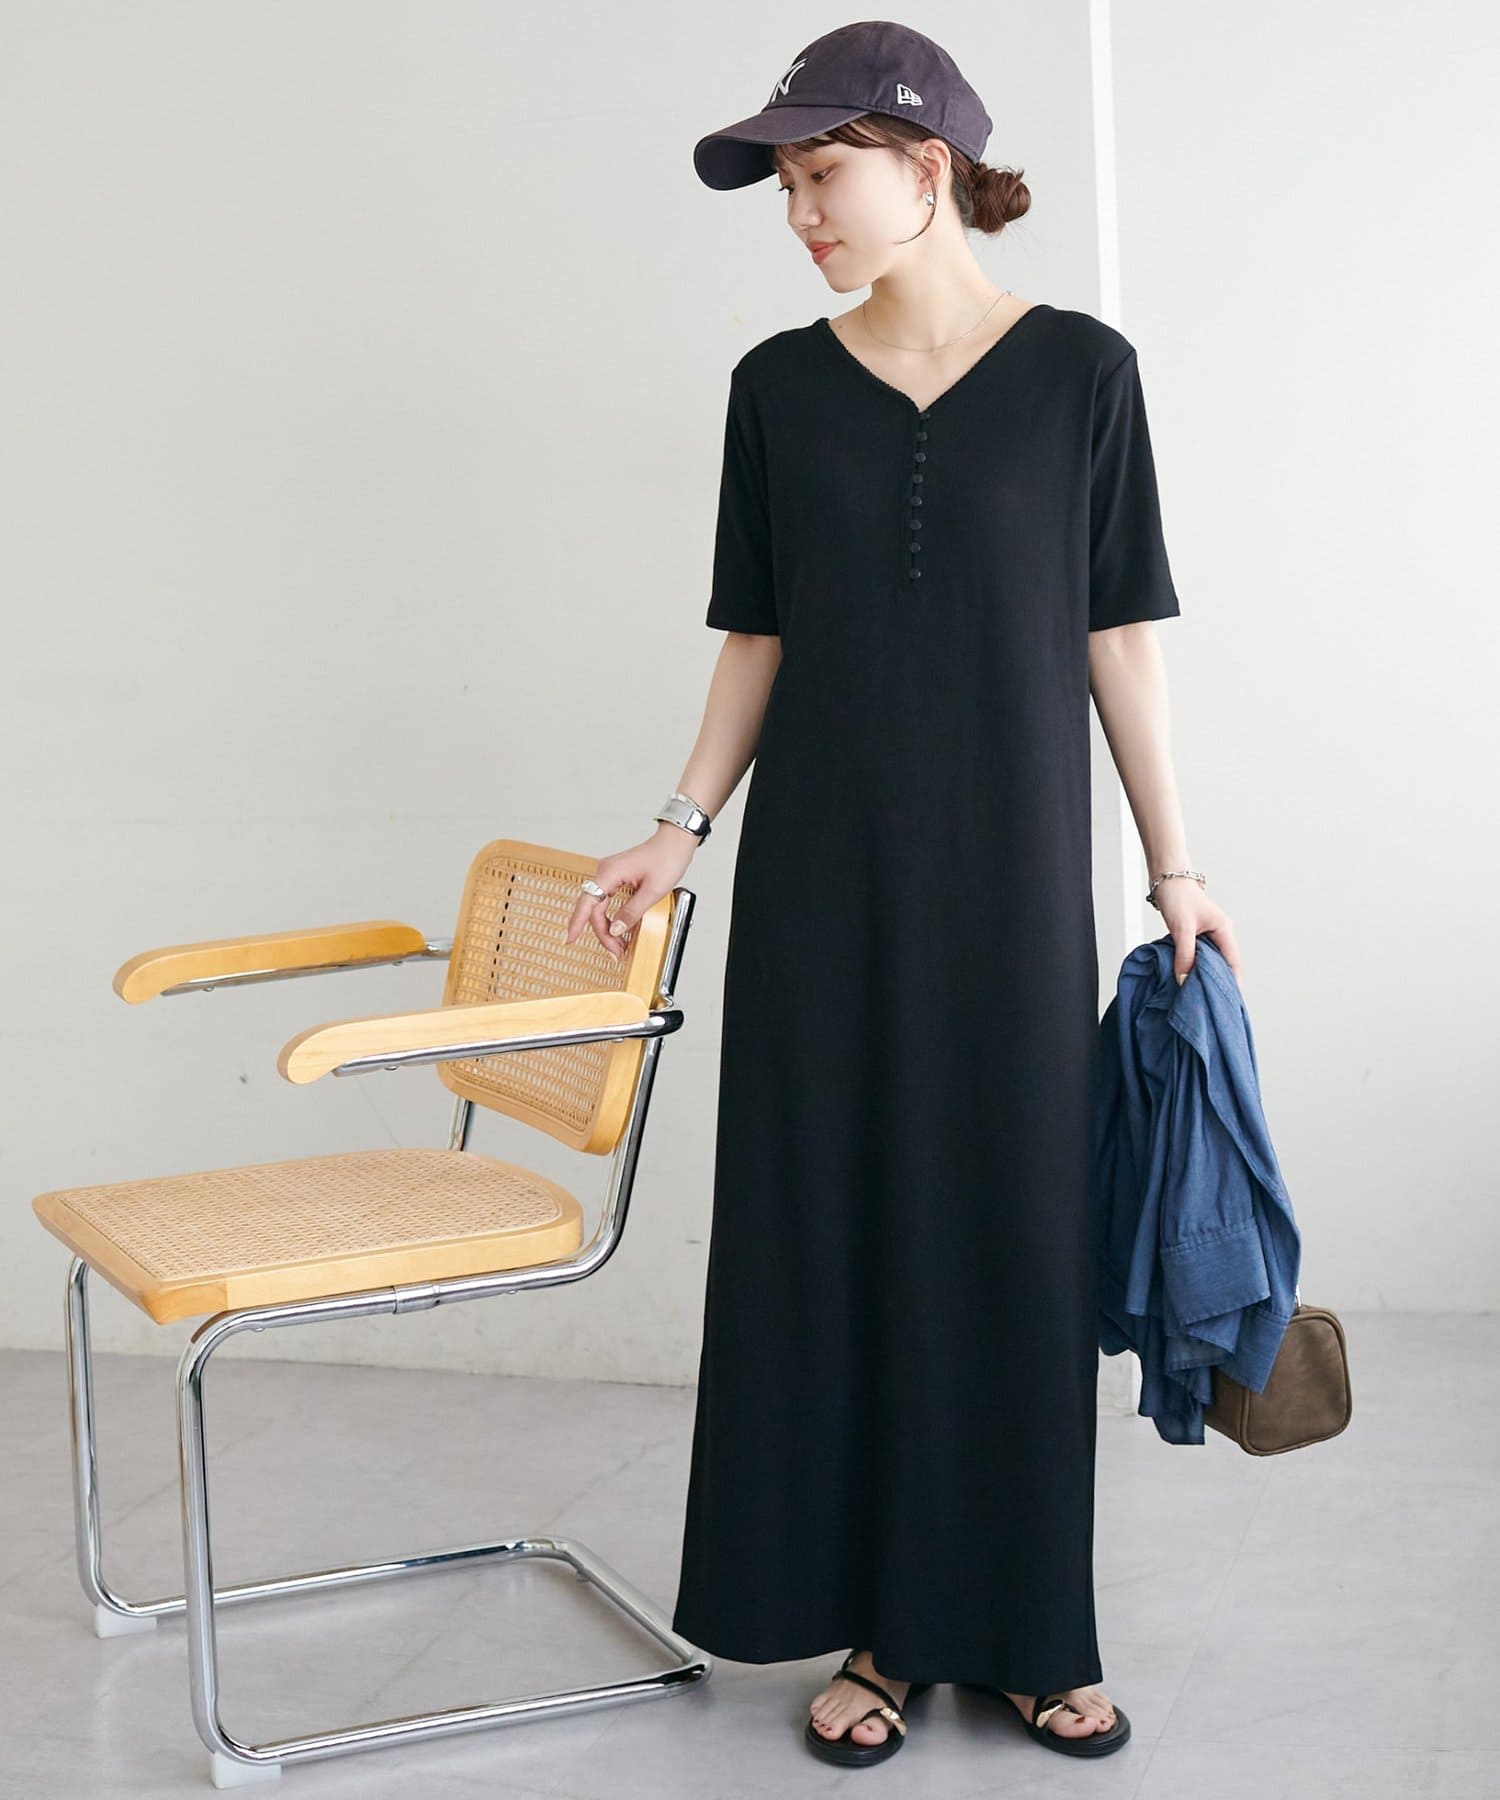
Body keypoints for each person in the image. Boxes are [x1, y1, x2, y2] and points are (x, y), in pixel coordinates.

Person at [565, 19, 1242, 1771]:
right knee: (837, 1232)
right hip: (822, 890)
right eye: (785, 188)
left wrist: (1175, 869)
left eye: (821, 176)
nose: (800, 214)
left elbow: (1119, 637)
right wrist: (678, 826)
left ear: (927, 166)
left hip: (1015, 889)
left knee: (1013, 1236)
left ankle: (1027, 1631)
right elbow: (759, 635)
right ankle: (874, 1624)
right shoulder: (776, 390)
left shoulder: (1084, 373)